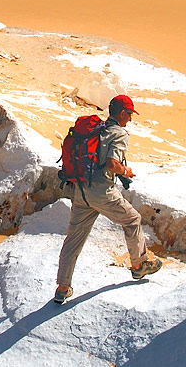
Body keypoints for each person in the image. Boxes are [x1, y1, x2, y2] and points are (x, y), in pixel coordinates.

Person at [54, 94, 162, 303]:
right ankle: (139, 266)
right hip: (102, 192)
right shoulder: (119, 134)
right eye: (129, 114)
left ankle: (62, 287)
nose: (130, 118)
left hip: (81, 191)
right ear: (122, 113)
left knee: (73, 240)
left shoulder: (98, 129)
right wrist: (126, 171)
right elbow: (112, 164)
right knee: (132, 219)